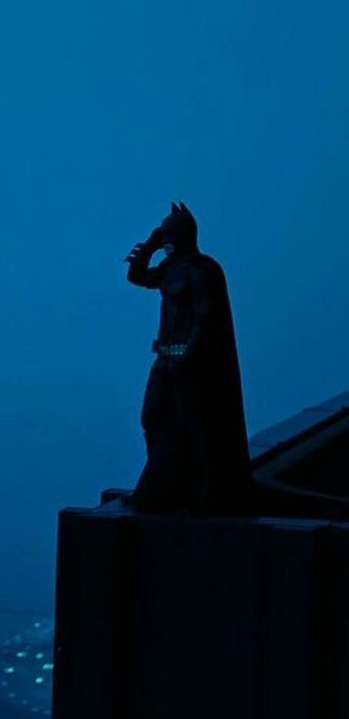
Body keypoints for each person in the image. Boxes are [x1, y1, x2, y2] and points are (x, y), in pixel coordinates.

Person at [125, 202, 252, 512]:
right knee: (151, 418)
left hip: (189, 363)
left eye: (168, 232)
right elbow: (137, 277)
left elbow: (205, 317)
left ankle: (207, 490)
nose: (163, 236)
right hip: (165, 359)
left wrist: (190, 356)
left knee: (200, 426)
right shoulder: (169, 269)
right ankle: (163, 481)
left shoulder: (202, 270)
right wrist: (150, 246)